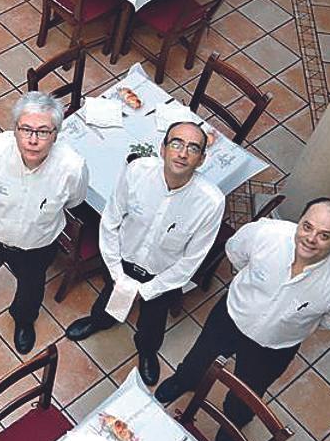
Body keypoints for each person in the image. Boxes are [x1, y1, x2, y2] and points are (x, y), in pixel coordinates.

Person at [154, 198, 330, 441]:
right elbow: (236, 254)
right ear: (299, 222)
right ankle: (184, 380)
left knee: (249, 389)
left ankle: (234, 421)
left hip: (275, 345)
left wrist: (293, 323)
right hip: (232, 316)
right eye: (307, 227)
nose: (310, 238)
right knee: (201, 356)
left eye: (324, 235)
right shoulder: (266, 234)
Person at [65, 122, 224, 388]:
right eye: (176, 143)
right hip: (123, 261)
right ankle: (100, 321)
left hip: (163, 276)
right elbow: (111, 221)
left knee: (152, 323)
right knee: (109, 297)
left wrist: (149, 290)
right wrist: (117, 273)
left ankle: (147, 351)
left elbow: (190, 261)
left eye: (192, 148)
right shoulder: (137, 171)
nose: (182, 153)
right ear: (163, 149)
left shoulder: (211, 203)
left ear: (202, 159)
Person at [0, 91, 88, 354]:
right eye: (26, 129)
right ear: (14, 128)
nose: (32, 140)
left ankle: (23, 320)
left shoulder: (72, 167)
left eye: (43, 132)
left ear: (56, 134)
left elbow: (74, 201)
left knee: (31, 287)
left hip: (38, 245)